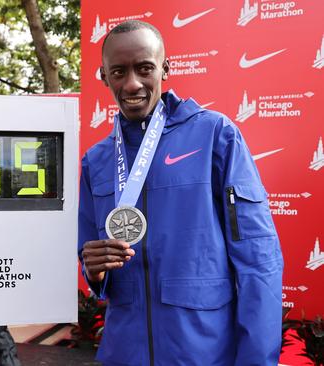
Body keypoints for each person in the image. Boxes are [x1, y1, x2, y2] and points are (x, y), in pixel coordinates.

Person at [78, 20, 283, 365]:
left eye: (144, 68)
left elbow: (258, 261)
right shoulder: (96, 161)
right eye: (118, 72)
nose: (132, 84)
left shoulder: (215, 135)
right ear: (104, 76)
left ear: (165, 68)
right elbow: (91, 264)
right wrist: (94, 271)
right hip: (123, 352)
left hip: (203, 352)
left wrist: (257, 360)